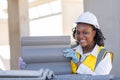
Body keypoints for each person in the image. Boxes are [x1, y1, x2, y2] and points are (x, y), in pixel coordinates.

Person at [63, 11, 113, 75]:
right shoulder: (72, 52)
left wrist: (78, 63)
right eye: (78, 32)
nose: (80, 36)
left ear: (94, 33)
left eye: (85, 32)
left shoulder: (104, 55)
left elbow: (99, 78)